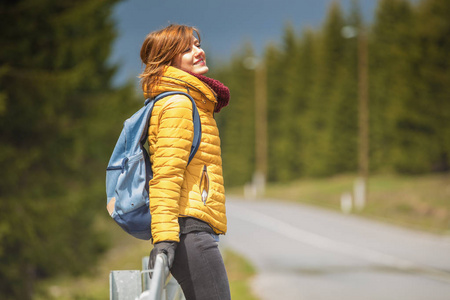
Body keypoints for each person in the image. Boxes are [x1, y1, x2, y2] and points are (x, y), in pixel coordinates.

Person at [139, 24, 231, 300]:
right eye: (187, 49)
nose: (199, 51)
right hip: (188, 232)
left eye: (197, 44)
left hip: (195, 229)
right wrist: (165, 239)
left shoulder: (191, 100)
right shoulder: (179, 103)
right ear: (169, 59)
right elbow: (165, 176)